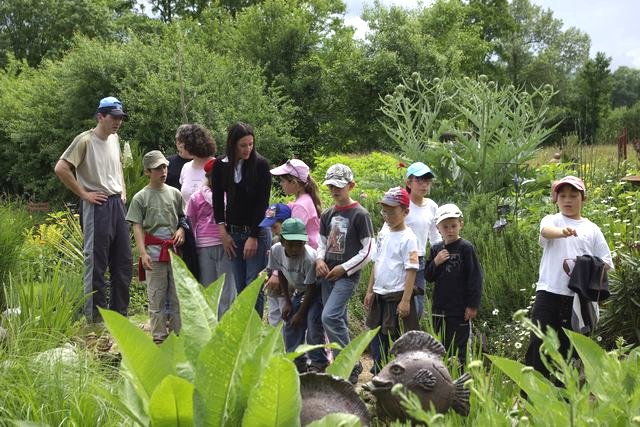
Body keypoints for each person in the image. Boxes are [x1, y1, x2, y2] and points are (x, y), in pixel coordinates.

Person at [524, 176, 613, 380]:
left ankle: (564, 400)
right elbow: (545, 231)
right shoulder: (552, 220)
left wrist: (587, 266)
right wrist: (562, 232)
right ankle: (532, 398)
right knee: (539, 344)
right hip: (549, 292)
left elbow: (606, 262)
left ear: (583, 198)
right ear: (556, 199)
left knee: (570, 349)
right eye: (562, 195)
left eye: (573, 195)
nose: (568, 200)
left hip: (578, 300)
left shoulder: (592, 229)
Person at [54, 96, 132, 323]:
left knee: (123, 261)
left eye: (121, 118)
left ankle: (120, 317)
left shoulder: (115, 139)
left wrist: (123, 191)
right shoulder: (85, 140)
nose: (118, 122)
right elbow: (61, 168)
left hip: (117, 204)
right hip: (96, 206)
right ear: (100, 116)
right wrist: (84, 194)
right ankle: (95, 320)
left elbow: (117, 166)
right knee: (96, 263)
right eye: (114, 117)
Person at [316, 163, 374, 384]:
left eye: (339, 186)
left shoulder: (360, 214)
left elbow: (368, 250)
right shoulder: (327, 214)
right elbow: (321, 243)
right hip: (327, 273)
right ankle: (349, 366)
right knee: (337, 318)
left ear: (351, 185)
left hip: (346, 276)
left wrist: (345, 268)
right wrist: (320, 259)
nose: (334, 190)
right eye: (331, 186)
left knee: (329, 316)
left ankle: (351, 363)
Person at [211, 122, 272, 315]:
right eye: (243, 145)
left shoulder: (260, 165)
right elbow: (217, 199)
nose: (247, 149)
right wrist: (223, 231)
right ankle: (244, 332)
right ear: (233, 144)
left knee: (253, 286)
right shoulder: (221, 165)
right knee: (240, 285)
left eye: (251, 144)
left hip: (256, 232)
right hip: (232, 232)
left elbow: (262, 204)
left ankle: (253, 333)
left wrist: (254, 236)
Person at [125, 150, 185, 344]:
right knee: (156, 296)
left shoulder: (175, 193)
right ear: (147, 172)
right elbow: (137, 226)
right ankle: (159, 336)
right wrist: (142, 253)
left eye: (165, 167)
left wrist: (181, 231)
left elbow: (183, 218)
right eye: (158, 168)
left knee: (177, 296)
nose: (163, 171)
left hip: (174, 251)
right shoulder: (141, 198)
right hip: (153, 252)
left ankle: (178, 335)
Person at [364, 187, 420, 374]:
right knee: (375, 335)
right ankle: (378, 372)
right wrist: (370, 290)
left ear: (405, 212)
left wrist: (405, 300)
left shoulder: (409, 238)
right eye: (384, 211)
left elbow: (411, 270)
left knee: (395, 338)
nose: (387, 216)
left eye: (392, 212)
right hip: (379, 294)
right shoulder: (383, 232)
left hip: (396, 297)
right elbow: (377, 262)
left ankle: (395, 378)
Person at [425, 203, 482, 367]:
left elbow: (475, 278)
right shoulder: (436, 249)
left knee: (460, 350)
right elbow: (428, 277)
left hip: (459, 309)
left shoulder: (466, 248)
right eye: (445, 226)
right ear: (438, 228)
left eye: (453, 225)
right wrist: (435, 262)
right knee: (440, 347)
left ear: (460, 225)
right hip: (439, 309)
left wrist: (472, 305)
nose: (450, 230)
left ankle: (461, 384)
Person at [268, 218, 327, 373]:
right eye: (291, 244)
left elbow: (311, 288)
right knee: (290, 321)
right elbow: (280, 273)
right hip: (301, 290)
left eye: (299, 244)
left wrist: (300, 313)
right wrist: (287, 302)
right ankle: (296, 361)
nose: (295, 248)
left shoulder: (309, 258)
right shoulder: (275, 250)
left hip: (317, 290)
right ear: (282, 241)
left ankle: (318, 363)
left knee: (312, 321)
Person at [185, 158, 236, 319]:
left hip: (226, 244)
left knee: (227, 289)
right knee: (208, 288)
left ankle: (225, 325)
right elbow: (190, 220)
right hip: (204, 246)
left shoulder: (231, 194)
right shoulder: (196, 198)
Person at [403, 162, 441, 318]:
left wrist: (443, 254)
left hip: (418, 260)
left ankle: (412, 340)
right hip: (399, 258)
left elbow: (435, 235)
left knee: (417, 308)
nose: (424, 185)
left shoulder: (432, 206)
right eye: (419, 180)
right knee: (397, 302)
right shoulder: (402, 204)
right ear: (409, 182)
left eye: (427, 181)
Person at [259, 203, 292, 326]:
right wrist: (265, 271)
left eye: (274, 226)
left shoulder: (292, 243)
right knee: (273, 318)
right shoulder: (274, 241)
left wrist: (276, 274)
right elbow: (273, 263)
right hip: (273, 291)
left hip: (286, 290)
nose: (273, 231)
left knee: (286, 320)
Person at [178, 124, 216, 206]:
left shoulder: (217, 166)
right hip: (188, 217)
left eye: (182, 143)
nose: (180, 146)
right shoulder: (186, 167)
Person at [166, 124, 193, 190]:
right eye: (178, 140)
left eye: (184, 140)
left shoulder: (201, 163)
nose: (180, 143)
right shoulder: (167, 162)